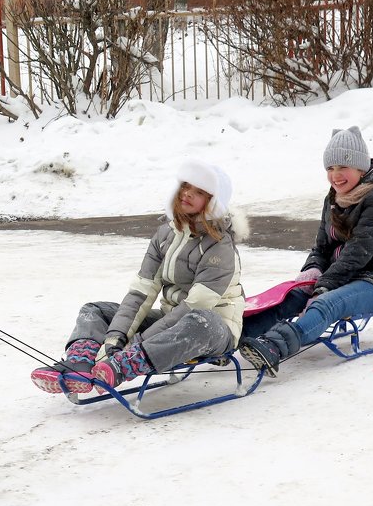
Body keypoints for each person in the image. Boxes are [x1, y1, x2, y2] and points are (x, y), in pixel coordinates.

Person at [31, 159, 245, 394]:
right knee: (96, 310)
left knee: (200, 320)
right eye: (186, 186)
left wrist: (135, 344)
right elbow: (142, 291)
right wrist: (115, 339)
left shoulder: (219, 245)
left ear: (213, 202)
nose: (187, 194)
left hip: (214, 328)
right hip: (169, 318)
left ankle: (122, 366)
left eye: (199, 192)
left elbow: (194, 306)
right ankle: (79, 364)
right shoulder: (166, 233)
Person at [239, 126, 373, 376]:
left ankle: (274, 347)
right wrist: (312, 271)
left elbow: (357, 254)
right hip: (340, 275)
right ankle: (237, 336)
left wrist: (323, 287)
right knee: (292, 296)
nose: (336, 175)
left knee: (325, 304)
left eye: (343, 167)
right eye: (330, 169)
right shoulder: (333, 198)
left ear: (361, 169)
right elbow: (322, 246)